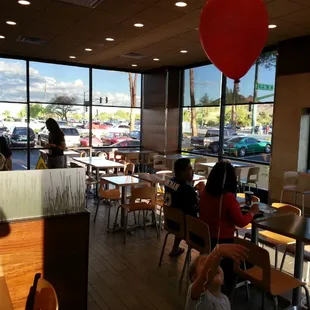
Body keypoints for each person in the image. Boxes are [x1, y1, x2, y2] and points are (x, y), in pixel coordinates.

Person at [199, 161, 259, 295]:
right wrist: (252, 212)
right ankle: (232, 285)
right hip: (224, 246)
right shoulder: (228, 198)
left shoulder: (204, 193)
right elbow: (241, 222)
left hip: (207, 242)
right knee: (252, 258)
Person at [186, 243, 248, 310]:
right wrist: (218, 251)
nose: (214, 266)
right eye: (204, 263)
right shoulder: (198, 297)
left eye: (216, 264)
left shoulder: (225, 299)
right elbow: (205, 276)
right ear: (194, 278)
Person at [164, 158, 202, 257]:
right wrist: (201, 194)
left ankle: (175, 248)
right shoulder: (187, 189)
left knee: (180, 214)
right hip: (185, 227)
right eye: (190, 169)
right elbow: (197, 209)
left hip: (170, 222)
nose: (192, 171)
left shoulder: (169, 182)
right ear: (182, 172)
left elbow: (180, 201)